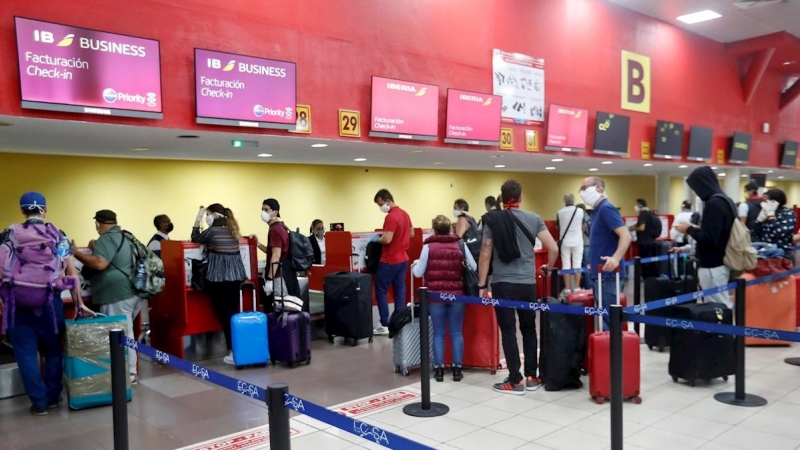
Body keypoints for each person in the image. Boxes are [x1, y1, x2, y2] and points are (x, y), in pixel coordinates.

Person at [1, 192, 91, 416]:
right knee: (53, 351)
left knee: (25, 354)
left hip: (17, 306)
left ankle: (39, 403)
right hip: (51, 304)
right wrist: (79, 303)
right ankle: (52, 397)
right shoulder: (58, 235)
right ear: (45, 209)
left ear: (23, 210)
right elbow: (71, 273)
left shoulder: (8, 235)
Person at [477, 179, 558, 395]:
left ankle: (515, 380)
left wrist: (482, 284)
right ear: (521, 198)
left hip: (502, 283)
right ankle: (532, 376)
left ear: (501, 198)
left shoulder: (492, 220)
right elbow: (553, 247)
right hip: (527, 284)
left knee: (508, 331)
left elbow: (485, 251)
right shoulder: (534, 218)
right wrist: (548, 268)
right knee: (529, 328)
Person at [72, 210, 142, 382]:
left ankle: (129, 373)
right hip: (133, 291)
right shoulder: (125, 236)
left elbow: (100, 263)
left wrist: (76, 252)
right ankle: (128, 371)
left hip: (116, 294)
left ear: (97, 223)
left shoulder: (106, 238)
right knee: (127, 331)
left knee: (122, 335)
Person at [412, 215, 475, 383]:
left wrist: (415, 265)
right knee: (456, 333)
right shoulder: (460, 244)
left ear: (434, 229)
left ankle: (439, 370)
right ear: (450, 229)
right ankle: (457, 370)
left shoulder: (428, 247)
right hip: (457, 295)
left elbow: (418, 272)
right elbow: (474, 267)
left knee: (439, 333)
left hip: (435, 296)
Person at [190, 204, 247, 365]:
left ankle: (232, 351)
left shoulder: (213, 232)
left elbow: (195, 236)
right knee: (232, 314)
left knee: (225, 316)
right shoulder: (233, 230)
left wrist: (198, 217)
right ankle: (237, 349)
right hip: (236, 279)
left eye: (208, 214)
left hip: (220, 280)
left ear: (214, 215)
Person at [676, 167, 735, 308]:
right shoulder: (726, 200)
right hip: (720, 261)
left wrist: (689, 229)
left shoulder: (714, 204)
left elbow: (709, 238)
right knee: (719, 303)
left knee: (717, 306)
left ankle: (721, 330)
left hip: (712, 264)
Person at [579, 177, 632, 329]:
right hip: (600, 273)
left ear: (598, 187)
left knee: (609, 318)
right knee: (604, 318)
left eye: (584, 188)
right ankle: (606, 351)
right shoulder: (596, 211)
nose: (582, 192)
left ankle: (612, 351)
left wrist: (615, 258)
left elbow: (625, 235)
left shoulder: (606, 208)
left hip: (608, 275)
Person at [372, 189, 414, 336]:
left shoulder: (391, 217)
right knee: (400, 289)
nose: (380, 208)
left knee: (381, 289)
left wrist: (376, 239)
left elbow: (387, 239)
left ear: (388, 201)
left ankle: (384, 323)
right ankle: (400, 320)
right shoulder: (405, 214)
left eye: (381, 204)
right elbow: (412, 233)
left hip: (389, 259)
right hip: (404, 258)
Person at [256, 199, 301, 304]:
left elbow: (276, 256)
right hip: (286, 274)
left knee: (281, 307)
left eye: (266, 209)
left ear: (275, 212)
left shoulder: (275, 230)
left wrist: (270, 280)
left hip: (279, 276)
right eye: (262, 209)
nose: (263, 212)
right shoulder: (281, 227)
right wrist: (257, 243)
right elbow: (272, 251)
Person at [756, 189, 795, 260]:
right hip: (764, 252)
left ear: (775, 201)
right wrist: (759, 221)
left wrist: (771, 217)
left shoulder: (787, 213)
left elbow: (780, 233)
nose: (764, 203)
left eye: (767, 200)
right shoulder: (765, 212)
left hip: (782, 254)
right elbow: (756, 233)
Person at [556, 193, 585, 292]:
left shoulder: (560, 212)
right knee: (578, 264)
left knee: (566, 264)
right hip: (578, 240)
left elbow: (558, 226)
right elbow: (583, 226)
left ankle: (567, 288)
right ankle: (577, 287)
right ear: (573, 201)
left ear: (564, 201)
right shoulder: (580, 211)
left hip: (565, 241)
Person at [629, 198, 658, 278]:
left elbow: (642, 228)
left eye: (636, 204)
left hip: (644, 242)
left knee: (644, 260)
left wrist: (632, 229)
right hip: (651, 241)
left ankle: (645, 276)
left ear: (640, 205)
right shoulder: (649, 213)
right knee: (650, 260)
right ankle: (650, 276)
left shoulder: (642, 214)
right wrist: (635, 225)